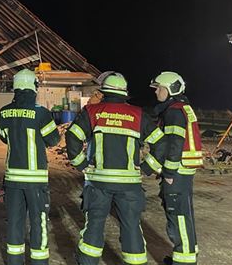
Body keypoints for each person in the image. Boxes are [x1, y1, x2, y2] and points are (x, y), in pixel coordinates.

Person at [66, 72, 165, 265]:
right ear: (124, 93)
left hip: (98, 182)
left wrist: (82, 164)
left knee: (94, 225)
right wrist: (146, 168)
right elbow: (160, 143)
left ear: (104, 92)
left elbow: (72, 137)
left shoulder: (92, 111)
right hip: (129, 184)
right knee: (131, 228)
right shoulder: (138, 114)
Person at [0, 69, 60, 265]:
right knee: (38, 223)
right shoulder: (42, 113)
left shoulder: (4, 112)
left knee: (14, 224)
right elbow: (54, 139)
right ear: (34, 87)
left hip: (13, 180)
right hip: (36, 181)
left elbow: (3, 136)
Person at [150, 72, 202, 265]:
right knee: (184, 213)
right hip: (185, 170)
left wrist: (169, 172)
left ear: (170, 89)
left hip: (177, 171)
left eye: (159, 88)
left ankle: (183, 261)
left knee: (177, 215)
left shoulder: (173, 111)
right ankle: (188, 254)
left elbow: (174, 144)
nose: (156, 92)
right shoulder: (182, 107)